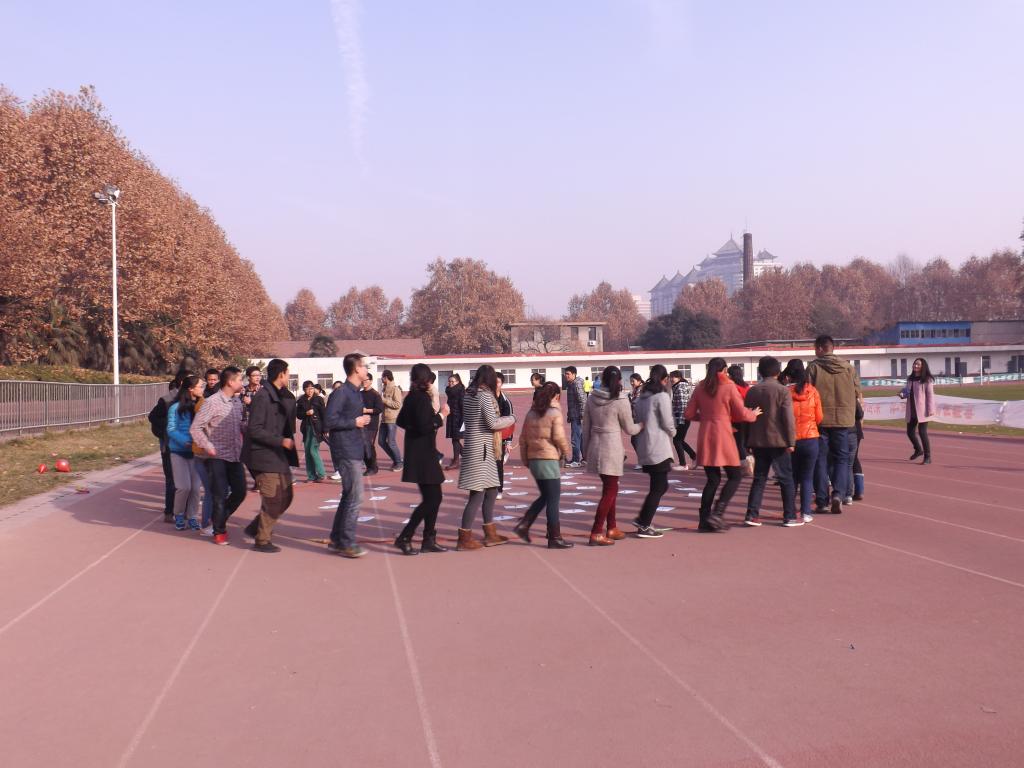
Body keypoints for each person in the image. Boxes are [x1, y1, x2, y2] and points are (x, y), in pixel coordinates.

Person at [684, 358, 761, 532]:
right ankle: (718, 513)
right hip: (724, 435)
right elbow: (741, 413)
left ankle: (704, 519)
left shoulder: (700, 387)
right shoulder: (728, 386)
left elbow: (688, 414)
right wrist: (753, 414)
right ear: (725, 370)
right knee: (735, 476)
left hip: (706, 435)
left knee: (712, 480)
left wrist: (704, 417)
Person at [241, 358, 299, 553]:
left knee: (287, 496)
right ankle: (262, 540)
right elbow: (255, 429)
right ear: (281, 374)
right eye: (288, 373)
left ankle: (256, 527)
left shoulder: (281, 394)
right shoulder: (263, 397)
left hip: (277, 454)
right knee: (273, 498)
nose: (289, 376)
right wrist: (280, 441)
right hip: (262, 455)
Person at [456, 365, 516, 550]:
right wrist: (511, 418)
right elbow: (492, 423)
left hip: (479, 447)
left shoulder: (469, 394)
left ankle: (490, 533)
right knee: (477, 494)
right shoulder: (483, 395)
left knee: (492, 490)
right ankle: (464, 538)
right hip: (481, 448)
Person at [393, 364, 450, 555]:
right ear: (426, 380)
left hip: (420, 453)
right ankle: (405, 537)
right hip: (424, 455)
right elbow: (425, 426)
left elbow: (401, 421)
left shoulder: (411, 397)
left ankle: (428, 539)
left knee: (432, 498)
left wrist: (415, 426)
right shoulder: (422, 399)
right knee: (433, 499)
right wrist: (441, 415)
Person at [582, 366, 642, 545]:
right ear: (619, 380)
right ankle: (596, 531)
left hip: (596, 445)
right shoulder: (620, 399)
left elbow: (586, 427)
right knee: (610, 490)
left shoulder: (592, 398)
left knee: (610, 487)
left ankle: (612, 527)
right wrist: (642, 424)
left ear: (602, 379)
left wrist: (585, 451)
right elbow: (630, 428)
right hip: (612, 447)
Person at [190, 366, 247, 546]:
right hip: (217, 456)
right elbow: (195, 428)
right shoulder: (212, 402)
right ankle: (219, 531)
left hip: (235, 455)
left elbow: (240, 425)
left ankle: (218, 519)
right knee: (219, 494)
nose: (242, 382)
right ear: (230, 382)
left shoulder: (237, 402)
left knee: (240, 491)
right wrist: (208, 446)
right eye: (240, 379)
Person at [513, 382, 573, 548]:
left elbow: (523, 439)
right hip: (548, 458)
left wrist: (526, 459)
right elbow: (558, 437)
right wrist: (566, 451)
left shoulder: (531, 413)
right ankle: (554, 537)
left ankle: (524, 525)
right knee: (553, 498)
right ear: (556, 396)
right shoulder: (554, 412)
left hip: (534, 459)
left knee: (545, 496)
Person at [807, 334, 862, 514]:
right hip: (843, 420)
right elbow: (857, 393)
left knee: (820, 459)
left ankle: (822, 500)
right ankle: (839, 494)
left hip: (821, 419)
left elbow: (807, 393)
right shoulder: (848, 368)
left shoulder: (813, 367)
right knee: (842, 459)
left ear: (820, 348)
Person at [742, 356, 799, 527]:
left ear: (760, 371)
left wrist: (747, 441)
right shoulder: (782, 391)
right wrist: (791, 441)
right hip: (778, 440)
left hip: (758, 441)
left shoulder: (752, 391)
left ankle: (752, 514)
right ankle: (789, 515)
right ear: (778, 372)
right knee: (786, 478)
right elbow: (788, 418)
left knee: (759, 478)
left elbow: (747, 418)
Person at [326, 352, 373, 558]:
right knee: (356, 497)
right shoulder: (342, 392)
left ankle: (337, 539)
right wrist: (355, 422)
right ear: (356, 369)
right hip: (345, 450)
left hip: (354, 447)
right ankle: (347, 542)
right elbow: (329, 421)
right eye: (364, 366)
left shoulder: (355, 392)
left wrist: (359, 421)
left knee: (348, 495)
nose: (367, 369)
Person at [631, 365, 676, 538]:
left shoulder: (642, 398)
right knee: (659, 486)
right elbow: (667, 421)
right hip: (658, 446)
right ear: (665, 379)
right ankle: (644, 522)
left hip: (645, 444)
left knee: (659, 485)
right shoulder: (661, 396)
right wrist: (673, 432)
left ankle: (643, 519)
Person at [781, 359, 823, 523]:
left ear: (789, 375)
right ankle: (806, 512)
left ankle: (790, 511)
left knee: (792, 477)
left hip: (791, 439)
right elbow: (819, 417)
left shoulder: (785, 392)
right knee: (807, 477)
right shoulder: (813, 391)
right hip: (810, 438)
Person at [166, 374, 205, 531]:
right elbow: (171, 429)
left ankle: (192, 516)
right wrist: (185, 441)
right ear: (190, 389)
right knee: (184, 487)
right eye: (200, 386)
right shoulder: (175, 408)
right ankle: (179, 514)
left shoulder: (201, 406)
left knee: (195, 488)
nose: (202, 389)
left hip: (196, 453)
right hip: (178, 452)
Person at [148, 372, 185, 523]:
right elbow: (152, 417)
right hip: (170, 446)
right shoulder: (167, 400)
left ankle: (183, 510)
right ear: (182, 383)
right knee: (172, 480)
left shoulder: (195, 400)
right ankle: (169, 511)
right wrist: (170, 427)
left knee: (187, 482)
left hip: (187, 447)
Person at [900, 357, 935, 465]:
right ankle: (918, 449)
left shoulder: (927, 380)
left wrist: (930, 409)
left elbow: (930, 395)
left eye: (918, 364)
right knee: (910, 432)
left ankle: (927, 457)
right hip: (911, 410)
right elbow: (906, 392)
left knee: (922, 432)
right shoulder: (910, 379)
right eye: (915, 364)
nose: (915, 366)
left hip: (922, 410)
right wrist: (902, 394)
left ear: (923, 366)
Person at [296, 380, 327, 482]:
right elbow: (298, 415)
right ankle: (311, 476)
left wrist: (326, 428)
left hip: (317, 428)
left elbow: (324, 414)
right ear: (304, 390)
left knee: (313, 450)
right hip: (306, 428)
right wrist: (306, 413)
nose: (310, 391)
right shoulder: (301, 401)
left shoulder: (318, 399)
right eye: (307, 389)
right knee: (307, 452)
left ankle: (322, 474)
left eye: (312, 388)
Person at [727, 364, 753, 475]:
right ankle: (748, 459)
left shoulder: (732, 387)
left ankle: (744, 465)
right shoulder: (747, 387)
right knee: (744, 442)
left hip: (735, 418)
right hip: (747, 417)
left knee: (738, 443)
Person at [669, 370, 697, 470]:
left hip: (682, 418)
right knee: (679, 440)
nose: (671, 379)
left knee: (677, 440)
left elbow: (682, 405)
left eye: (674, 377)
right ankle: (694, 456)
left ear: (679, 378)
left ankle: (683, 464)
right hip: (684, 417)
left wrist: (679, 421)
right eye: (670, 377)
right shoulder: (679, 386)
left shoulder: (680, 387)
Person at [378, 369, 404, 471]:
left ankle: (399, 463)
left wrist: (384, 400)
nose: (381, 379)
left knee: (391, 442)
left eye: (382, 377)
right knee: (381, 441)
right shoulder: (384, 389)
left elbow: (398, 404)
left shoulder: (395, 389)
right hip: (384, 419)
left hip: (392, 419)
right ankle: (396, 459)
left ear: (386, 377)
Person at [495, 371, 515, 499]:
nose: (495, 384)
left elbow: (510, 422)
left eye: (497, 382)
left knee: (498, 464)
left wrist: (508, 442)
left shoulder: (506, 401)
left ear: (502, 383)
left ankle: (499, 490)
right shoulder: (485, 399)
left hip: (500, 437)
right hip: (486, 437)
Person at [361, 372, 385, 476]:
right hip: (361, 423)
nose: (364, 382)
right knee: (362, 446)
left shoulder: (375, 394)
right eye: (362, 380)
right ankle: (370, 466)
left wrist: (366, 410)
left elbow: (379, 409)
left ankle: (372, 467)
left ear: (371, 381)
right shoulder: (360, 393)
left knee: (368, 445)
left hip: (372, 424)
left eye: (366, 380)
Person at [564, 366, 585, 466]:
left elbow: (582, 400)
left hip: (577, 416)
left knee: (575, 438)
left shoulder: (576, 384)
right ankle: (585, 458)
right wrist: (569, 414)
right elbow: (572, 402)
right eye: (565, 374)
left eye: (568, 374)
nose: (566, 376)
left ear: (574, 374)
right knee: (580, 438)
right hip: (574, 415)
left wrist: (582, 415)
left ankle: (576, 460)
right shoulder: (571, 384)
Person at [444, 374, 465, 470]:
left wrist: (462, 421)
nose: (450, 383)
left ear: (458, 382)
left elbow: (463, 406)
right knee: (454, 439)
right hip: (452, 417)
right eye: (449, 381)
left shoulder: (460, 391)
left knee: (455, 440)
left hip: (459, 419)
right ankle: (468, 458)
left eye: (453, 381)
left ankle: (456, 461)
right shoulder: (450, 391)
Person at [627, 372, 644, 470]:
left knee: (635, 440)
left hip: (640, 418)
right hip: (636, 418)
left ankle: (642, 461)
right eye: (630, 381)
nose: (631, 383)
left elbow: (636, 402)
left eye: (633, 381)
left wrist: (628, 400)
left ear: (639, 380)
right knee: (637, 440)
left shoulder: (641, 389)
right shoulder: (636, 389)